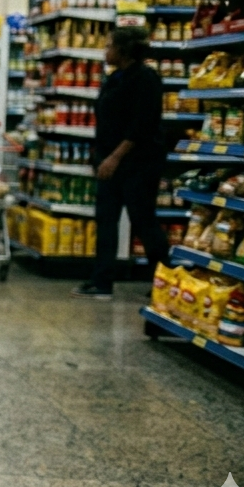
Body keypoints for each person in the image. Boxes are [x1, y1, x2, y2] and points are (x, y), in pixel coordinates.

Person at [74, 26, 167, 299]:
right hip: (109, 161)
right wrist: (100, 156)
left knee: (143, 220)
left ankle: (163, 280)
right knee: (106, 220)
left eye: (109, 46)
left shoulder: (146, 79)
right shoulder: (114, 78)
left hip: (138, 162)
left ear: (124, 51)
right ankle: (101, 281)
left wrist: (114, 157)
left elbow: (142, 126)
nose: (106, 51)